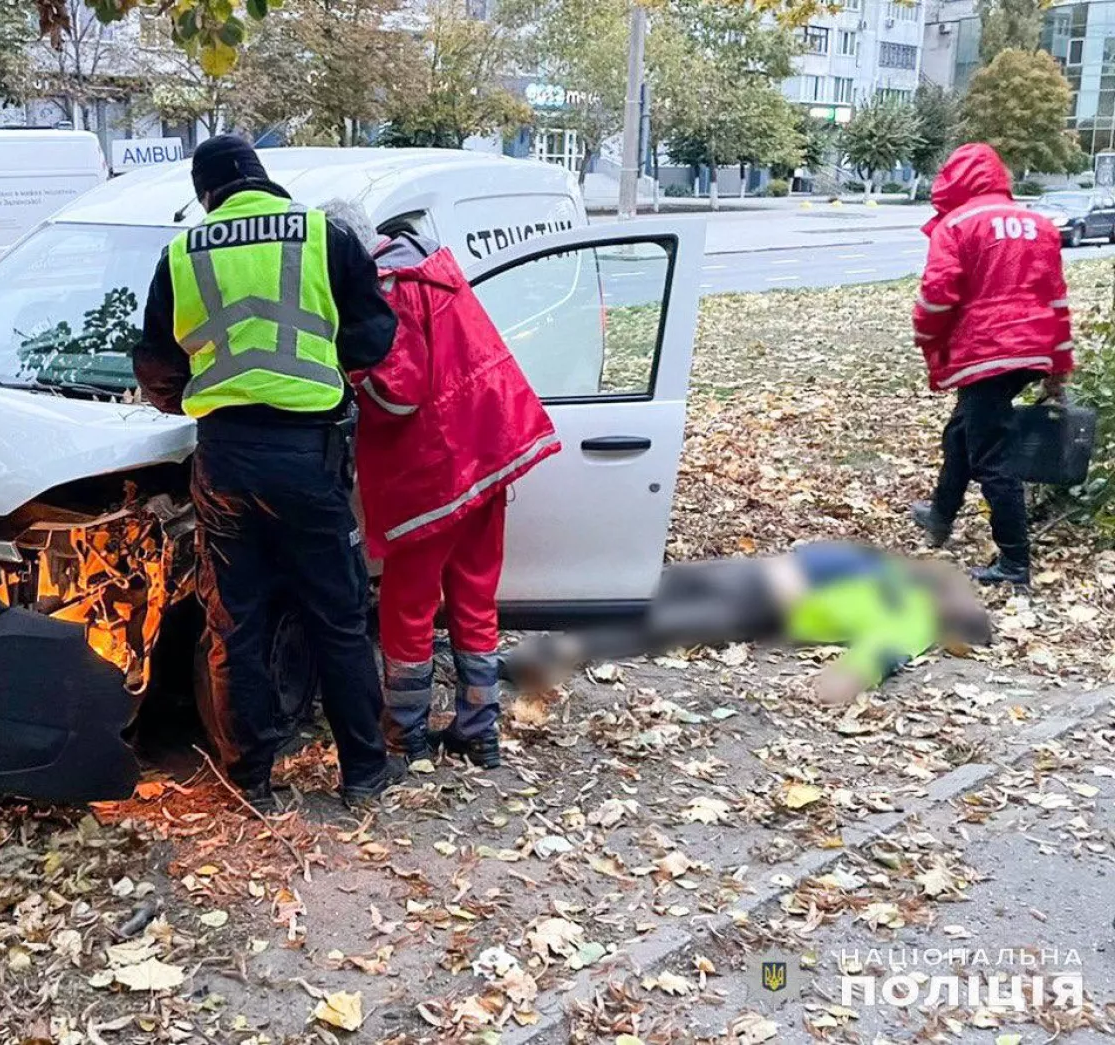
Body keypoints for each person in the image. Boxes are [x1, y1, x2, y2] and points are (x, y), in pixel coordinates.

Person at [133, 137, 401, 812]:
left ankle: (249, 780)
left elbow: (158, 371)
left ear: (206, 195)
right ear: (262, 177)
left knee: (236, 626)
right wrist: (320, 367)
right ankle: (364, 776)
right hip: (309, 456)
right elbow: (374, 339)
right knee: (337, 621)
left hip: (224, 458)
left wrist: (203, 390)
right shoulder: (325, 236)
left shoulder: (183, 254)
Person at [321, 199, 560, 770]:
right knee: (474, 596)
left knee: (407, 606)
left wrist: (346, 372)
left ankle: (405, 733)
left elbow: (397, 392)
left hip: (435, 467)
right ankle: (480, 731)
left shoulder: (387, 288)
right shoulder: (434, 268)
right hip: (488, 448)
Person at [503, 543, 993, 707]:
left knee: (660, 624)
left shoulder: (915, 618)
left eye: (966, 602)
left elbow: (883, 651)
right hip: (755, 571)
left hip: (766, 608)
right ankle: (551, 625)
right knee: (649, 586)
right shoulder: (901, 572)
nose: (958, 587)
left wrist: (852, 676)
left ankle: (550, 653)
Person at [910, 142, 1075, 586]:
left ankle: (1015, 563)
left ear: (954, 180)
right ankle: (941, 514)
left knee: (990, 456)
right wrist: (1059, 364)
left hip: (987, 351)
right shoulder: (1038, 223)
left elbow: (937, 296)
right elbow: (1056, 299)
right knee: (962, 430)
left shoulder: (957, 225)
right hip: (1031, 350)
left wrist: (927, 337)